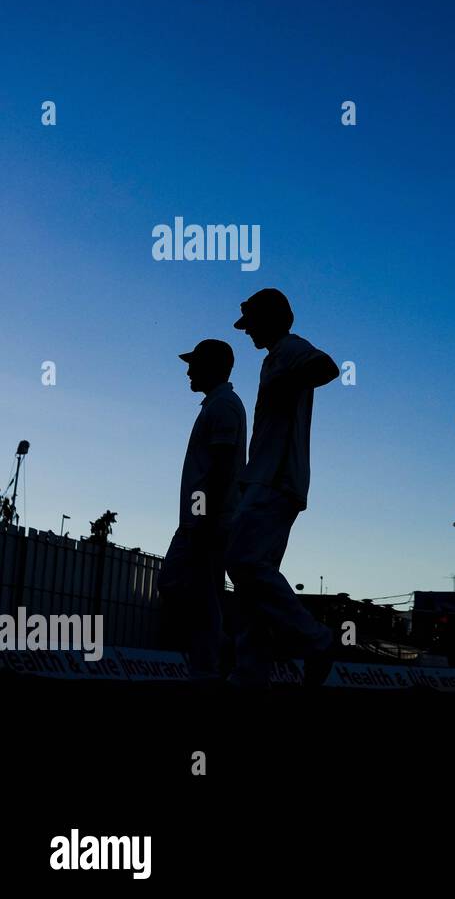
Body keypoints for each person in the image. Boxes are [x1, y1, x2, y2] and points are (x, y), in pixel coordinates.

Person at [226, 288, 340, 688]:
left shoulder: (291, 348)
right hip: (269, 478)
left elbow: (326, 367)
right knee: (253, 578)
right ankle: (250, 673)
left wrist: (293, 378)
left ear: (270, 318)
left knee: (243, 563)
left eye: (250, 323)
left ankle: (316, 640)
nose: (246, 332)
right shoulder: (274, 357)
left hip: (274, 479)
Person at [158, 339, 246, 680]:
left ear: (211, 366)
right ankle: (212, 657)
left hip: (207, 519)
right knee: (199, 594)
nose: (188, 370)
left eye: (194, 364)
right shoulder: (219, 405)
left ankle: (213, 659)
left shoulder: (222, 407)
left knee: (184, 587)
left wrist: (204, 520)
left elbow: (222, 469)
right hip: (206, 518)